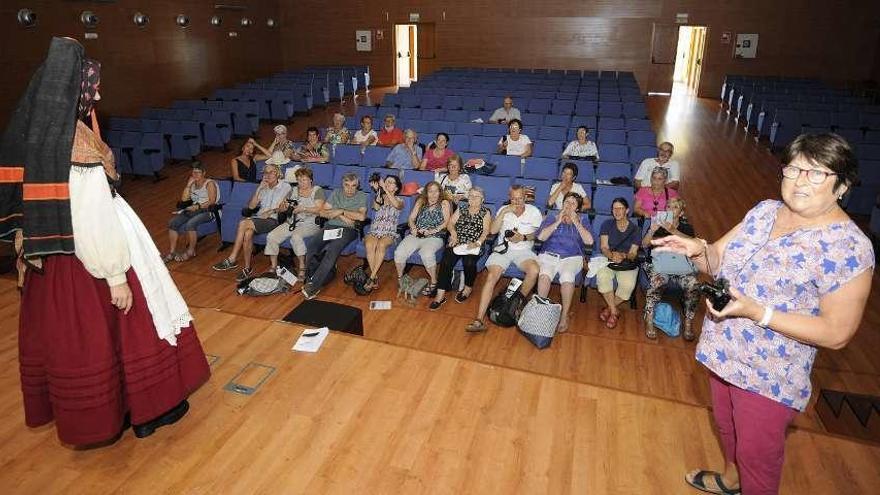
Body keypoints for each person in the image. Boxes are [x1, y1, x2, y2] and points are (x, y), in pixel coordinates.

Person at [0, 37, 209, 447]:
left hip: (56, 257)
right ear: (74, 87)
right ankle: (149, 409)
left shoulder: (37, 133)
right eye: (91, 84)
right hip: (96, 255)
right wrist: (115, 274)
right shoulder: (76, 145)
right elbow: (92, 214)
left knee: (86, 341)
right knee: (133, 330)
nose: (98, 92)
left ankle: (109, 412)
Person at [653, 133, 873, 495]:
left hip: (769, 375)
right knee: (727, 427)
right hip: (723, 351)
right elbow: (718, 258)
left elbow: (838, 332)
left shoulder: (849, 248)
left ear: (843, 185)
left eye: (816, 173)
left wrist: (759, 312)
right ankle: (729, 479)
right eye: (793, 169)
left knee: (758, 458)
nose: (799, 180)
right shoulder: (764, 211)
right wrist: (697, 248)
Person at [466, 185, 543, 332]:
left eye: (520, 198)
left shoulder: (534, 212)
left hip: (524, 251)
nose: (517, 201)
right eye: (513, 198)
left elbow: (539, 234)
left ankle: (514, 304)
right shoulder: (504, 210)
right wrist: (504, 212)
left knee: (534, 270)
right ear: (510, 198)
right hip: (503, 250)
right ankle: (479, 319)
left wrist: (524, 237)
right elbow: (493, 231)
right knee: (491, 277)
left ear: (525, 198)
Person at [212, 163, 291, 282]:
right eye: (266, 173)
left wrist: (270, 211)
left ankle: (232, 258)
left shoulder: (285, 187)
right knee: (248, 233)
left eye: (271, 172)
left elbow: (285, 208)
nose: (268, 175)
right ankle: (247, 268)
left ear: (278, 173)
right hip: (260, 219)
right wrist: (259, 188)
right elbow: (251, 206)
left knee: (243, 223)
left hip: (274, 220)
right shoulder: (263, 188)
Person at [302, 172, 368, 300]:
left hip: (348, 230)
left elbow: (361, 216)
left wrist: (340, 210)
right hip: (330, 226)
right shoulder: (336, 193)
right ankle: (310, 276)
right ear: (342, 185)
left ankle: (313, 287)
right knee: (312, 245)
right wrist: (340, 215)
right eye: (347, 185)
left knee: (332, 249)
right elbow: (322, 212)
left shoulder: (361, 196)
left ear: (357, 186)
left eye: (353, 186)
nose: (350, 189)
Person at [640, 197, 699, 340]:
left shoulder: (686, 228)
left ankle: (688, 321)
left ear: (680, 212)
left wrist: (673, 230)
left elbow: (693, 244)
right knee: (657, 282)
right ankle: (649, 317)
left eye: (675, 207)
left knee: (694, 285)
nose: (671, 209)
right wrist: (651, 231)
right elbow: (644, 245)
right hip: (660, 264)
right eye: (668, 206)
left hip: (680, 265)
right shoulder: (657, 224)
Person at [535, 192, 594, 333]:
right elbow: (541, 237)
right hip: (549, 255)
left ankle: (564, 316)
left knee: (567, 276)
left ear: (578, 209)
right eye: (566, 202)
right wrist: (557, 221)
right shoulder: (551, 217)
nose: (568, 205)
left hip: (572, 257)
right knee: (544, 274)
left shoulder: (583, 220)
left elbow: (590, 241)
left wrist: (576, 222)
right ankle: (541, 310)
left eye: (573, 204)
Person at [430, 187, 491, 309]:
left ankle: (468, 288)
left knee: (469, 262)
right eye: (471, 195)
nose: (473, 198)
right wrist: (453, 234)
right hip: (458, 241)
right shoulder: (461, 208)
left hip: (474, 244)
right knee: (446, 260)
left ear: (482, 200)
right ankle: (440, 295)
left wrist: (478, 243)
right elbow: (450, 224)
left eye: (476, 196)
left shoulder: (485, 212)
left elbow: (486, 231)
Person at [264, 167, 325, 280]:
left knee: (296, 237)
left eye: (304, 180)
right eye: (299, 180)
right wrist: (284, 207)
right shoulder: (293, 190)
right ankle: (273, 266)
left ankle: (302, 266)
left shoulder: (317, 190)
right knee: (272, 236)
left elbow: (319, 209)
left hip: (310, 223)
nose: (301, 183)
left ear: (310, 180)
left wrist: (303, 209)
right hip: (292, 221)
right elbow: (283, 206)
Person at [394, 181, 452, 296]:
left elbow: (446, 222)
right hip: (417, 233)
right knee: (399, 252)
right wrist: (413, 228)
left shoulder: (444, 203)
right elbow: (411, 218)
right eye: (431, 191)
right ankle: (401, 279)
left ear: (440, 192)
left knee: (426, 254)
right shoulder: (421, 201)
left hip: (435, 235)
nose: (433, 194)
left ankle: (434, 282)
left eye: (436, 191)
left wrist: (432, 230)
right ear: (426, 192)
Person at [596, 197, 641, 329]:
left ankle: (609, 309)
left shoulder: (635, 229)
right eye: (614, 208)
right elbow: (604, 247)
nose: (617, 211)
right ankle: (614, 312)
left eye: (620, 208)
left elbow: (633, 253)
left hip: (627, 263)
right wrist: (611, 255)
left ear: (627, 210)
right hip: (609, 260)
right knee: (602, 278)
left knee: (627, 286)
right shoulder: (606, 224)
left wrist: (622, 255)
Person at [164, 162, 220, 262]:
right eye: (194, 172)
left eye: (198, 172)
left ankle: (191, 251)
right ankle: (172, 252)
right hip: (194, 209)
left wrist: (198, 206)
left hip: (208, 211)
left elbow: (212, 201)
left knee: (190, 224)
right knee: (172, 223)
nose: (195, 175)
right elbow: (184, 200)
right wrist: (188, 185)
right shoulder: (193, 184)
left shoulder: (209, 183)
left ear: (204, 173)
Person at [362, 174, 404, 290]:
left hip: (389, 232)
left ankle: (371, 277)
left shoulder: (400, 200)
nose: (387, 183)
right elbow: (375, 207)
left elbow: (396, 205)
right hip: (375, 229)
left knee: (381, 244)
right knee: (369, 244)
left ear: (396, 188)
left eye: (391, 182)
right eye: (386, 182)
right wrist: (378, 191)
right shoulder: (379, 196)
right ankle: (374, 277)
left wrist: (383, 188)